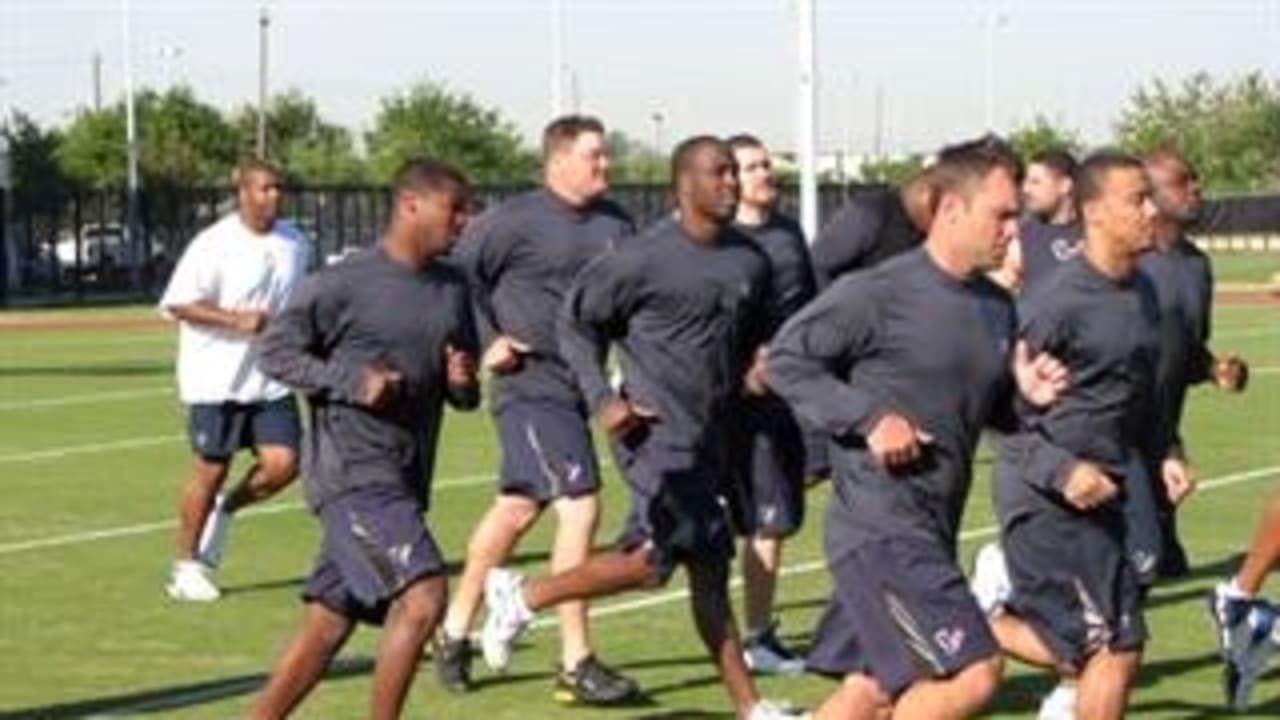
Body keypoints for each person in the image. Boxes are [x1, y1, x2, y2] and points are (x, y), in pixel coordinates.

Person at [480, 136, 803, 720]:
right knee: (654, 559)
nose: (731, 183)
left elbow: (753, 338)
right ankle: (523, 595)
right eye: (719, 173)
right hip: (653, 434)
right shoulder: (641, 258)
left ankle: (751, 709)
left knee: (707, 573)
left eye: (734, 173)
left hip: (710, 437)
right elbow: (577, 325)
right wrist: (603, 398)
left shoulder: (749, 260)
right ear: (684, 184)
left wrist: (758, 367)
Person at [768, 139, 1065, 720]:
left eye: (1019, 216)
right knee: (974, 672)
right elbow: (786, 361)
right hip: (879, 530)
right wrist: (871, 419)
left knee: (869, 691)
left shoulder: (995, 306)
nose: (1015, 231)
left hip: (932, 527)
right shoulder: (876, 293)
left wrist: (1026, 397)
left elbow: (992, 414)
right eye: (1002, 215)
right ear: (951, 208)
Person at [249, 157, 479, 720]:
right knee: (424, 598)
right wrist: (353, 381)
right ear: (411, 205)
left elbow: (464, 390)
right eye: (455, 209)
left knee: (328, 624)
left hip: (404, 477)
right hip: (352, 474)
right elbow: (274, 351)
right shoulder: (342, 283)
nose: (465, 221)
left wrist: (461, 382)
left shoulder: (453, 286)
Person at [435, 114, 638, 704]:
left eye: (605, 154)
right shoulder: (512, 221)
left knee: (517, 508)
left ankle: (452, 630)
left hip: (585, 383)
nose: (605, 165)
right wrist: (485, 340)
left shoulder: (617, 223)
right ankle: (576, 660)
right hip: (530, 381)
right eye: (594, 155)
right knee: (580, 504)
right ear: (558, 162)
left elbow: (630, 299)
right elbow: (455, 279)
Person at [988, 151, 1193, 720]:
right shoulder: (1054, 303)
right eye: (1138, 200)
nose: (1152, 210)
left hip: (1111, 489)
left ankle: (978, 616)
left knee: (1119, 646)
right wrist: (1064, 471)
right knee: (1107, 646)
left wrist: (1167, 449)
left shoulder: (1143, 290)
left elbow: (1140, 390)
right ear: (1094, 212)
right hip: (1046, 496)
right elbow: (997, 414)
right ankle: (968, 620)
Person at [158, 157, 310, 602]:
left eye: (278, 188)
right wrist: (233, 319)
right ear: (242, 193)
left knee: (285, 464)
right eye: (265, 188)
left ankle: (227, 507)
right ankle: (186, 567)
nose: (274, 196)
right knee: (211, 468)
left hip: (269, 376)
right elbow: (178, 303)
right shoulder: (213, 244)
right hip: (215, 378)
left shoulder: (295, 242)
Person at [725, 133, 817, 675]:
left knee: (776, 513)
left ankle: (758, 632)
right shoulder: (722, 239)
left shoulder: (787, 232)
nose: (765, 174)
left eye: (766, 164)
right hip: (735, 398)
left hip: (787, 391)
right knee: (765, 516)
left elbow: (808, 302)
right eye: (752, 167)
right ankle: (756, 638)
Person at [1142, 147, 1249, 579]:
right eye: (1181, 181)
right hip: (1115, 434)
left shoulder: (1196, 265)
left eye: (1195, 179)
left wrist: (1214, 368)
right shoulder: (1126, 264)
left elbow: (1186, 348)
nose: (1196, 188)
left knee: (1167, 567)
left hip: (1163, 433)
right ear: (1149, 193)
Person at [1015, 149, 1082, 292]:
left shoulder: (1095, 233)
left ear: (1065, 186)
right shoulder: (1020, 236)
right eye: (1026, 181)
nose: (1025, 189)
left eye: (1035, 182)